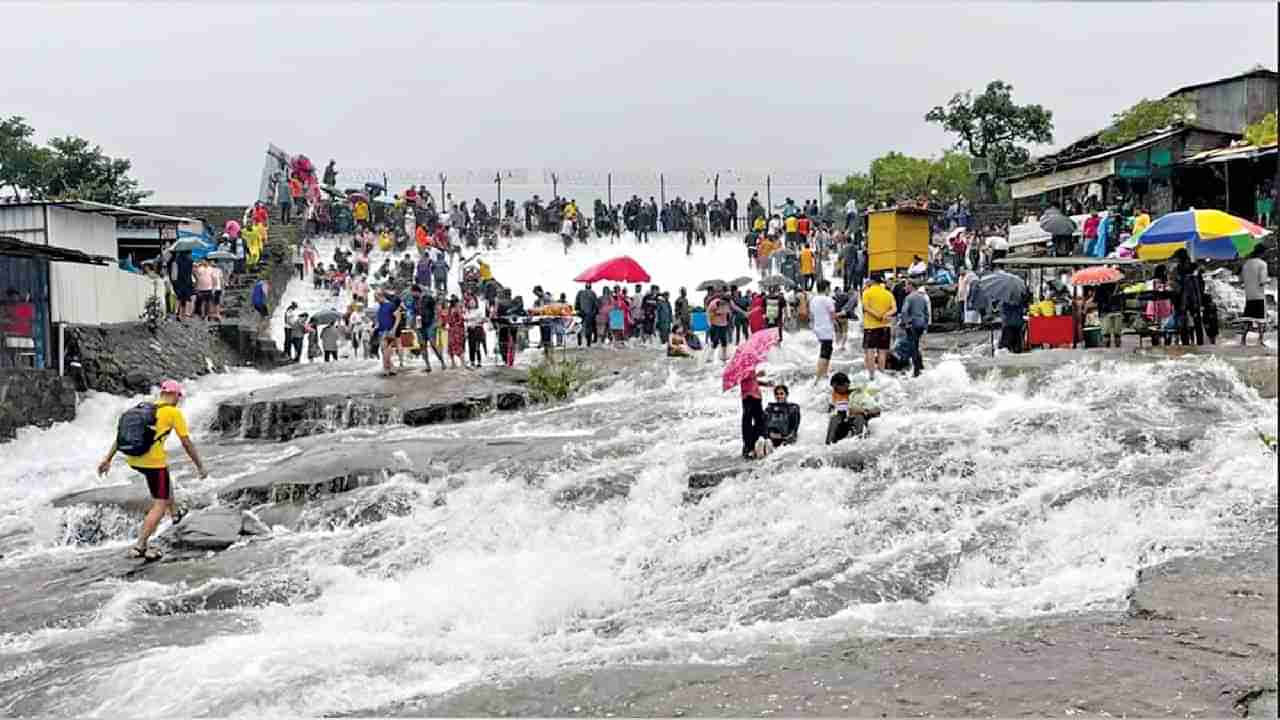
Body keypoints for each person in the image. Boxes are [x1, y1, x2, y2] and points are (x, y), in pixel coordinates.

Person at [97, 380, 207, 560]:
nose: (179, 400)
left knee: (165, 474)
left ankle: (175, 514)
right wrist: (200, 466)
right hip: (153, 463)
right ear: (175, 396)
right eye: (179, 397)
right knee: (159, 503)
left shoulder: (143, 409)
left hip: (133, 459)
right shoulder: (173, 413)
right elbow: (186, 443)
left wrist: (107, 459)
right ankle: (140, 545)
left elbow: (121, 437)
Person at [825, 372, 878, 445]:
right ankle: (828, 444)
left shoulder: (860, 392)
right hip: (844, 421)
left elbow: (877, 411)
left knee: (859, 417)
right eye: (834, 388)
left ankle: (858, 443)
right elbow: (832, 408)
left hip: (860, 419)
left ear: (845, 384)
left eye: (836, 388)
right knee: (834, 418)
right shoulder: (836, 393)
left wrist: (862, 410)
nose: (835, 390)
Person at [861, 274, 896, 378]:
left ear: (872, 281)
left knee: (870, 350)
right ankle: (881, 373)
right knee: (882, 351)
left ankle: (871, 375)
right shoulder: (888, 293)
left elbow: (866, 307)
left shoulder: (867, 292)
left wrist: (878, 316)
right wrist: (886, 315)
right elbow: (894, 309)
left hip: (871, 327)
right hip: (885, 327)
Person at [898, 280, 929, 377]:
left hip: (913, 324)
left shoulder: (909, 298)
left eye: (906, 285)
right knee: (915, 345)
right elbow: (927, 313)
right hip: (921, 324)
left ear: (911, 286)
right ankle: (920, 366)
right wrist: (925, 326)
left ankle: (916, 370)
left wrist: (905, 323)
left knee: (912, 347)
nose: (905, 288)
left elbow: (904, 311)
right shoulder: (923, 298)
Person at [740, 369, 773, 460]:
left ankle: (758, 441)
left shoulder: (750, 365)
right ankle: (749, 447)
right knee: (747, 423)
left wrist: (765, 384)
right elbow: (742, 377)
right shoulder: (743, 366)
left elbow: (752, 381)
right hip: (748, 397)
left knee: (760, 421)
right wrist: (758, 374)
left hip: (757, 396)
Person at [1240, 244, 1269, 346]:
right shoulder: (1262, 264)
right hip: (1259, 295)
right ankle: (1260, 340)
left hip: (1249, 296)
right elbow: (1262, 281)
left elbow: (1241, 280)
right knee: (1261, 319)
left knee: (1248, 318)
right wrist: (1267, 282)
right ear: (1262, 253)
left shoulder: (1246, 264)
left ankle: (1243, 340)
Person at [809, 280, 837, 381]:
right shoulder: (827, 300)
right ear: (826, 288)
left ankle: (824, 374)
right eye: (829, 288)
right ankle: (818, 377)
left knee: (827, 350)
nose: (830, 290)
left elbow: (811, 315)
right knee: (825, 352)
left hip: (818, 328)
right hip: (826, 329)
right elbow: (832, 315)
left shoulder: (813, 300)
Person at [376, 291, 404, 376]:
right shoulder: (380, 307)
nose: (376, 300)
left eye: (377, 298)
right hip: (382, 331)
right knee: (384, 350)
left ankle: (386, 368)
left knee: (386, 350)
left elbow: (398, 317)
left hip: (389, 330)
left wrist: (393, 329)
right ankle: (391, 368)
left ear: (382, 297)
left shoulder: (390, 305)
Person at [465, 296, 487, 368]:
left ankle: (479, 361)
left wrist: (476, 322)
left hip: (478, 329)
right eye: (470, 302)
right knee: (471, 346)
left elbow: (484, 320)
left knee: (477, 346)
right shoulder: (467, 311)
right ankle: (472, 361)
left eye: (473, 302)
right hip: (470, 330)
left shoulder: (479, 311)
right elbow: (465, 320)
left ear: (476, 303)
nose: (472, 303)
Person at [445, 296, 466, 368]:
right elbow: (461, 319)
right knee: (454, 346)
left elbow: (460, 320)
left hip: (453, 330)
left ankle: (457, 363)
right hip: (454, 330)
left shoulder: (452, 310)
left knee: (454, 346)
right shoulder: (454, 310)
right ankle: (459, 363)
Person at [575, 283, 599, 347]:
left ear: (585, 286)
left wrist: (578, 310)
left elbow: (576, 303)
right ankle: (588, 343)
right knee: (589, 328)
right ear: (590, 287)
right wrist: (595, 313)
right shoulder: (593, 293)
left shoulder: (580, 292)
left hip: (581, 312)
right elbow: (596, 305)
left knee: (579, 327)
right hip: (590, 313)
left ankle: (579, 341)